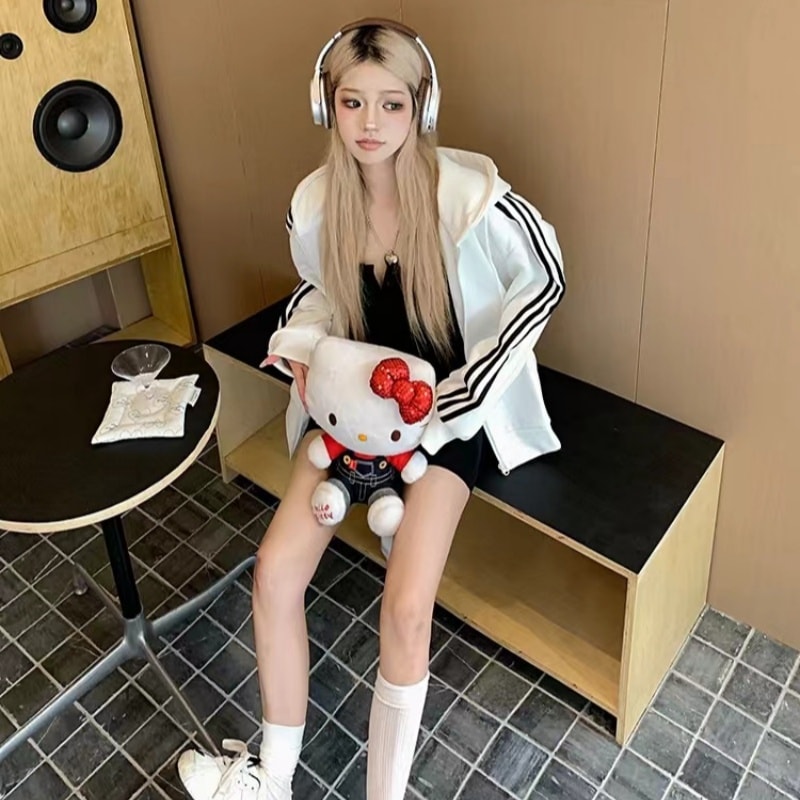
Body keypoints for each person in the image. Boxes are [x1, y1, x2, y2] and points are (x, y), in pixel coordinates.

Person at [176, 17, 565, 800]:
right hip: (348, 414)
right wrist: (300, 350)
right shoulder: (317, 201)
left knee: (407, 609)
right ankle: (271, 778)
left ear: (423, 106)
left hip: (441, 423)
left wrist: (467, 391)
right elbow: (317, 292)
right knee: (273, 575)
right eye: (352, 103)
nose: (370, 124)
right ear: (326, 106)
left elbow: (547, 276)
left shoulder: (469, 194)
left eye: (391, 104)